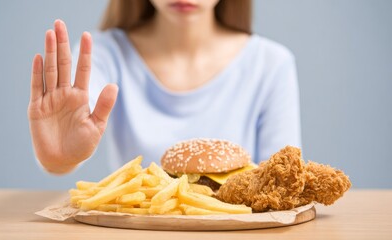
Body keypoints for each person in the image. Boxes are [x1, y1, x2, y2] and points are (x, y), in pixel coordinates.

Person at [28, 0, 301, 174]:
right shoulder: (103, 52)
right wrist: (60, 158)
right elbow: (74, 125)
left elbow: (282, 180)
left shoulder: (272, 63)